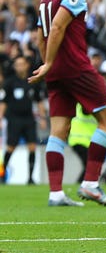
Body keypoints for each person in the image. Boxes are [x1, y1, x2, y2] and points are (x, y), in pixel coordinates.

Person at [28, 0, 106, 207]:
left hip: (56, 72)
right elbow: (57, 27)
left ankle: (56, 193)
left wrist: (47, 63)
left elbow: (41, 33)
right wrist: (48, 62)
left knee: (58, 131)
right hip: (75, 67)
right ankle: (90, 184)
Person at [0, 55, 47, 184]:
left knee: (32, 147)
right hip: (13, 119)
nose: (19, 67)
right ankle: (2, 175)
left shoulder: (33, 81)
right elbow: (3, 102)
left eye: (22, 64)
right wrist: (0, 118)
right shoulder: (10, 82)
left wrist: (42, 118)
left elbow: (39, 101)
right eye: (17, 64)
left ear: (27, 65)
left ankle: (30, 178)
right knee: (10, 148)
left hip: (28, 119)